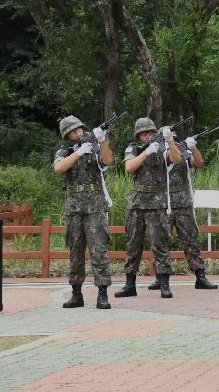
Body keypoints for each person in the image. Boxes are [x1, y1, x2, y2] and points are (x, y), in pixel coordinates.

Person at [53, 115, 115, 309]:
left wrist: (102, 140)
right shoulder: (65, 151)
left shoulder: (95, 145)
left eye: (78, 128)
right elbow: (59, 168)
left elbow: (108, 161)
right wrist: (78, 153)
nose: (77, 131)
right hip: (74, 206)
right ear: (67, 135)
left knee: (99, 250)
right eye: (72, 130)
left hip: (95, 205)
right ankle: (76, 294)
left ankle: (102, 294)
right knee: (75, 251)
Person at [115, 118, 180, 299]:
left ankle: (164, 283)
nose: (148, 135)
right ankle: (130, 284)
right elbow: (129, 167)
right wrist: (146, 153)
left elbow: (177, 159)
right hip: (137, 203)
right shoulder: (133, 149)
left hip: (157, 203)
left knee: (160, 244)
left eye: (151, 132)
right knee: (133, 244)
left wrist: (169, 141)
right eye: (144, 133)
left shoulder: (162, 148)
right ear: (138, 135)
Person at [164, 132, 218, 290]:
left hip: (184, 204)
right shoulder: (158, 153)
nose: (172, 141)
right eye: (169, 139)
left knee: (191, 241)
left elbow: (199, 162)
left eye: (175, 139)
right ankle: (161, 277)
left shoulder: (184, 153)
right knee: (161, 242)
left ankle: (200, 275)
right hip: (164, 203)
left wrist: (193, 147)